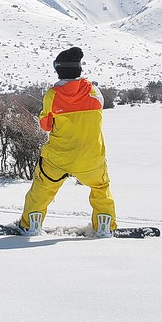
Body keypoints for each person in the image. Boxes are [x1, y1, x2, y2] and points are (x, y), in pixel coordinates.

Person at [12, 46, 118, 237]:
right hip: (91, 158)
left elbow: (46, 125)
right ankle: (105, 226)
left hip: (58, 158)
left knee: (43, 187)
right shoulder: (95, 91)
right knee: (100, 188)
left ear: (58, 69)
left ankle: (30, 224)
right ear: (79, 68)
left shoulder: (52, 95)